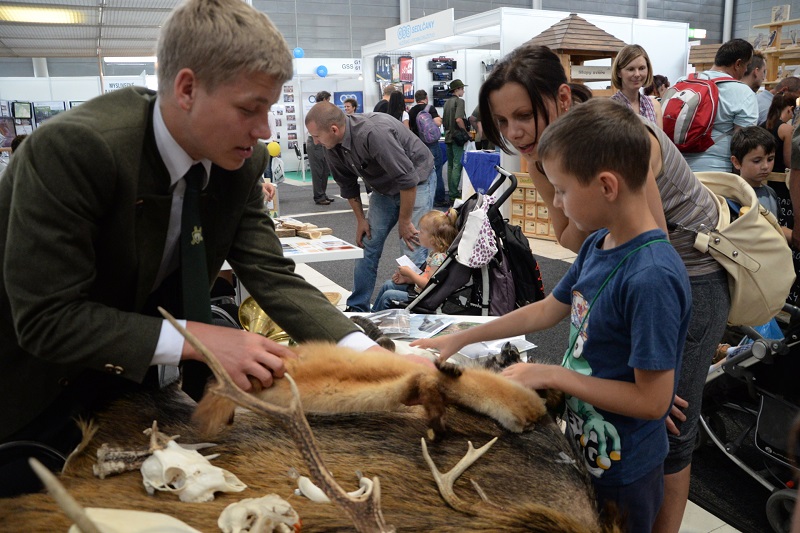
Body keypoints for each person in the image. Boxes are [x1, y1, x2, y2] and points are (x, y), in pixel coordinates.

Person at [0, 0, 386, 497]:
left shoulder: (238, 165)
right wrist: (199, 338)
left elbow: (271, 274)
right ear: (186, 89)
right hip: (28, 391)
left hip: (127, 387)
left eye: (269, 109)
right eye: (249, 109)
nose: (265, 131)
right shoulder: (75, 150)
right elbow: (46, 319)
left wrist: (373, 360)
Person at [476, 42, 729, 533]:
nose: (515, 132)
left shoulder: (616, 139)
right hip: (630, 272)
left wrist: (657, 384)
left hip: (691, 272)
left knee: (671, 432)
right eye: (502, 122)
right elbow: (576, 238)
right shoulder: (551, 160)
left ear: (561, 98)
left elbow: (653, 248)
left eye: (524, 115)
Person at [412, 99, 692, 532]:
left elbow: (653, 402)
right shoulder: (599, 244)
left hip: (624, 469)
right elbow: (547, 310)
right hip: (588, 447)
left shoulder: (651, 276)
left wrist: (555, 375)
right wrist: (461, 337)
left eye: (561, 190)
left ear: (606, 186)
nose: (555, 203)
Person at [304, 103, 435, 312]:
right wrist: (360, 220)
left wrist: (404, 221)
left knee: (412, 247)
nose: (316, 141)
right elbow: (347, 185)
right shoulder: (331, 146)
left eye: (316, 136)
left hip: (416, 180)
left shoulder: (373, 133)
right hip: (384, 188)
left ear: (334, 129)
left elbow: (407, 179)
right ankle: (357, 308)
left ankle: (410, 309)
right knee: (367, 246)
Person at [680, 38, 758, 173]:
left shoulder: (683, 82)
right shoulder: (743, 92)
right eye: (747, 65)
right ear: (738, 64)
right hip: (716, 171)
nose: (746, 70)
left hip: (676, 168)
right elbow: (743, 144)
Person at [372, 208, 457, 311]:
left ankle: (376, 317)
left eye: (422, 231)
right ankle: (373, 313)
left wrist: (410, 273)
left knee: (388, 296)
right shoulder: (435, 254)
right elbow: (426, 276)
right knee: (388, 285)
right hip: (420, 291)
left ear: (433, 239)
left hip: (424, 297)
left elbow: (427, 284)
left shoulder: (438, 259)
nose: (418, 232)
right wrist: (407, 279)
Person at [731, 127, 792, 241]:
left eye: (770, 159)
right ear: (737, 162)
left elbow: (775, 227)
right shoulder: (732, 195)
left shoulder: (770, 193)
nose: (765, 166)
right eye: (757, 161)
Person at [610, 44, 663, 128]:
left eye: (642, 68)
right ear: (618, 72)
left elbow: (659, 137)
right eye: (631, 69)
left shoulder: (654, 106)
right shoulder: (609, 108)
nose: (637, 74)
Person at [408, 89, 446, 207]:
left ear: (416, 99)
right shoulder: (430, 108)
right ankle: (439, 199)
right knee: (436, 170)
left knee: (420, 171)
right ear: (426, 98)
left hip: (417, 144)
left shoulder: (411, 111)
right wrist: (439, 118)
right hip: (431, 144)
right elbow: (438, 123)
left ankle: (422, 197)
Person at [307, 90, 335, 205]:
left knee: (324, 170)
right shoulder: (315, 111)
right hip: (316, 142)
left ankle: (323, 194)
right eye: (328, 100)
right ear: (324, 99)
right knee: (318, 171)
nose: (329, 102)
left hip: (323, 142)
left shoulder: (323, 111)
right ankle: (319, 196)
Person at [443, 78, 468, 205]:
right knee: (457, 164)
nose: (463, 91)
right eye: (462, 89)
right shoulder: (460, 101)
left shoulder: (446, 103)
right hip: (457, 137)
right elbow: (458, 119)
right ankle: (454, 194)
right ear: (457, 89)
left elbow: (444, 121)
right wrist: (465, 132)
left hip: (447, 136)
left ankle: (452, 193)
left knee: (450, 165)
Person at [763, 91, 797, 175]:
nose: (792, 117)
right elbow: (788, 162)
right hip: (779, 177)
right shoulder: (787, 129)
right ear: (790, 109)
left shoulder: (761, 125)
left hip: (763, 174)